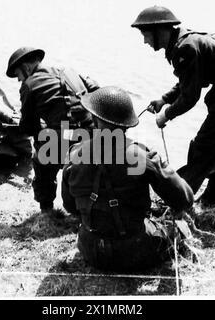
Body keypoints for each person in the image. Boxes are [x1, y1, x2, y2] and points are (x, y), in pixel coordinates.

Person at [131, 6, 215, 205]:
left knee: (203, 147)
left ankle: (179, 199)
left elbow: (190, 97)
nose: (145, 41)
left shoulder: (185, 48)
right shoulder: (185, 40)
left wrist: (166, 115)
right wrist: (164, 100)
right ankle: (213, 196)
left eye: (146, 35)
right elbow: (190, 79)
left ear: (159, 31)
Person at [61, 86, 193, 271]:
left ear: (95, 119)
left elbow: (70, 206)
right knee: (179, 227)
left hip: (90, 250)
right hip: (134, 252)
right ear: (126, 124)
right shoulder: (140, 156)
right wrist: (158, 164)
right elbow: (185, 199)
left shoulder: (74, 154)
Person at [6, 47, 100, 216]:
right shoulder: (68, 71)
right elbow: (97, 91)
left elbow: (29, 126)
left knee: (40, 156)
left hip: (68, 141)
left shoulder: (29, 84)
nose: (19, 80)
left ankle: (46, 209)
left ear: (26, 68)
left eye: (18, 75)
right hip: (94, 135)